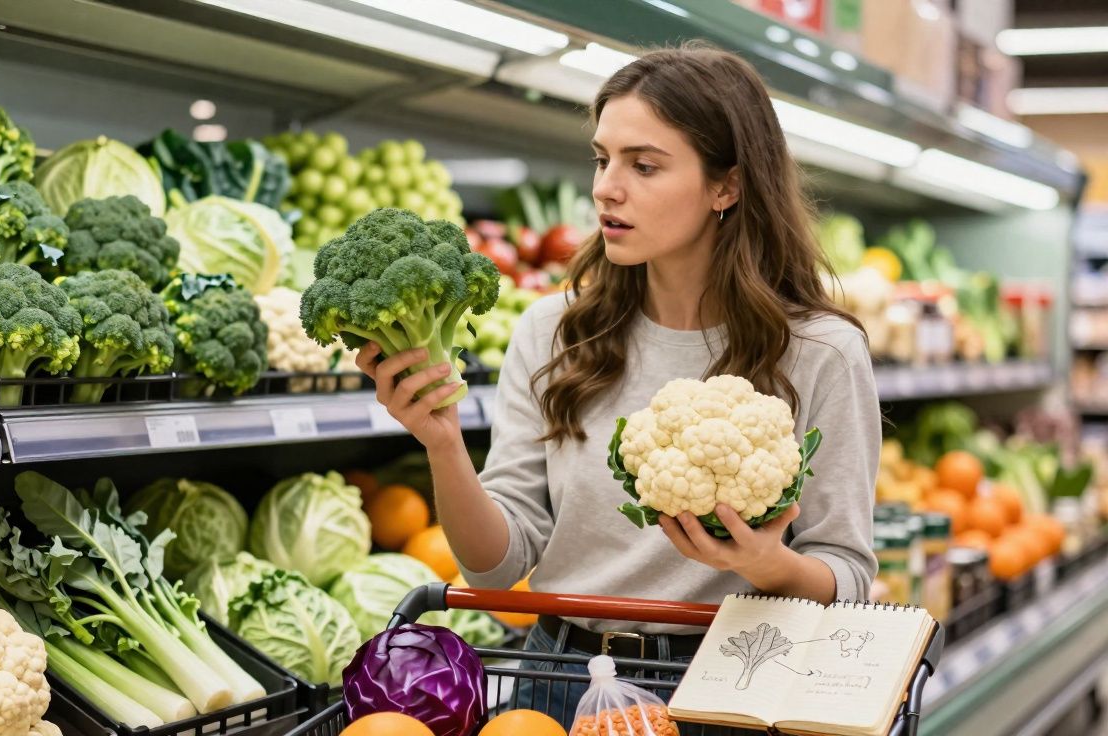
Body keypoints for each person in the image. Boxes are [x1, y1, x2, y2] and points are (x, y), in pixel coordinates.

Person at [356, 42, 878, 734]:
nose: (606, 186)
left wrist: (769, 563)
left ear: (727, 187)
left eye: (644, 165)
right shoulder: (552, 330)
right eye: (602, 158)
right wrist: (444, 444)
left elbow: (847, 575)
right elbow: (493, 568)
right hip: (558, 682)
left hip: (726, 687)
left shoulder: (821, 353)